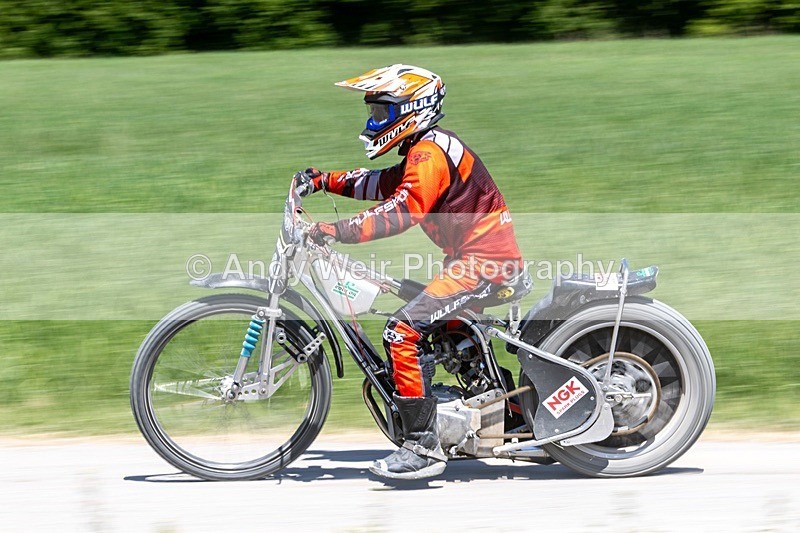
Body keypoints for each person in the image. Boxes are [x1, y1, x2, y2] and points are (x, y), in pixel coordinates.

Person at [295, 64, 525, 480]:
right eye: (372, 113)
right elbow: (380, 184)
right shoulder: (426, 148)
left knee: (401, 331)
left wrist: (335, 230)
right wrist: (324, 180)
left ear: (412, 108)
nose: (372, 122)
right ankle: (508, 413)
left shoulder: (430, 152)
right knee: (444, 334)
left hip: (482, 265)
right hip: (471, 260)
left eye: (381, 113)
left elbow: (402, 210)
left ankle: (422, 446)